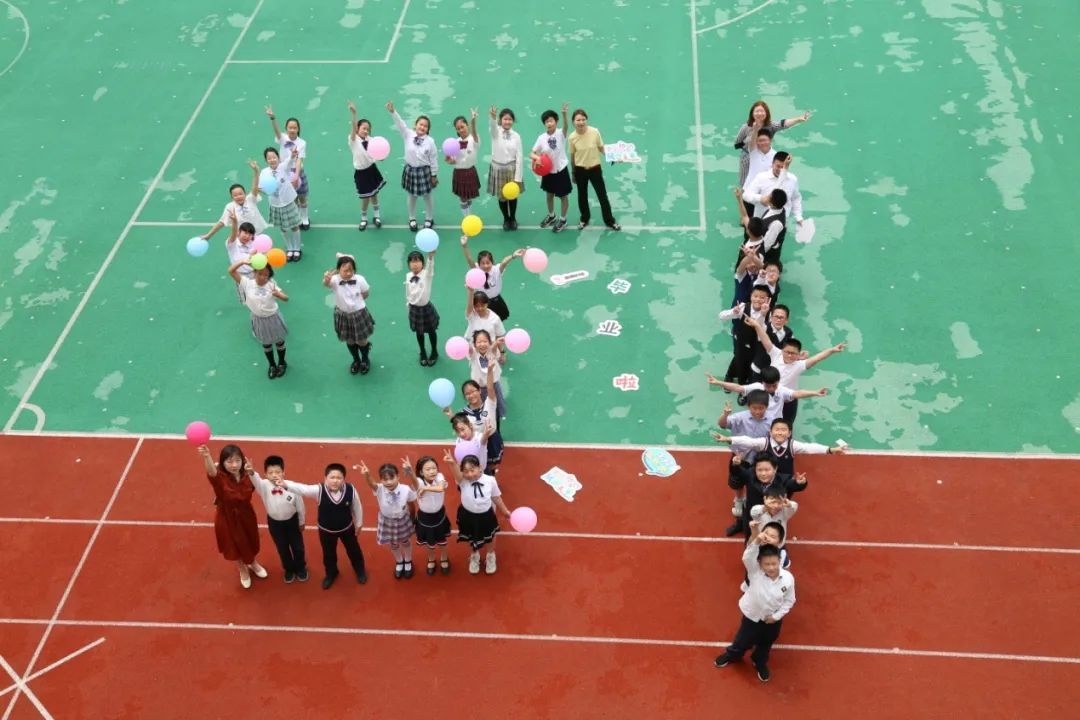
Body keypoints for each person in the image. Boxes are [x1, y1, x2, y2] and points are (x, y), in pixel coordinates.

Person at [713, 520, 796, 682]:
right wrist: (757, 538)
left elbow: (790, 600)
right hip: (752, 617)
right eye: (767, 564)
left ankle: (759, 661)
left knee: (767, 642)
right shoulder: (755, 572)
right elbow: (748, 556)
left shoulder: (788, 578)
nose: (771, 567)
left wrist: (776, 617)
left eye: (774, 563)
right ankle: (733, 655)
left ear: (779, 561)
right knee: (743, 640)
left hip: (773, 620)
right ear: (760, 564)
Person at [283, 463, 367, 590]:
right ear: (325, 478)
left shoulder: (351, 489)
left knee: (354, 550)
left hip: (347, 529)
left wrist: (359, 523)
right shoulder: (319, 490)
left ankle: (360, 570)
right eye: (332, 477)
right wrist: (285, 484)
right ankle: (331, 573)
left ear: (343, 479)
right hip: (326, 531)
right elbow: (303, 489)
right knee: (328, 554)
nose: (335, 480)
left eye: (339, 478)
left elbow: (357, 507)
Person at [196, 444, 266, 589]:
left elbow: (261, 487)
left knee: (250, 540)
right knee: (234, 544)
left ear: (243, 460)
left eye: (237, 460)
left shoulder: (248, 474)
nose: (234, 465)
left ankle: (253, 563)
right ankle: (242, 569)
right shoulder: (220, 478)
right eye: (229, 461)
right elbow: (212, 472)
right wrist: (207, 456)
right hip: (227, 517)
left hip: (246, 514)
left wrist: (253, 473)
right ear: (223, 463)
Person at [712, 391, 771, 536]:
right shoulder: (740, 417)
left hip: (758, 462)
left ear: (767, 407)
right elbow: (722, 425)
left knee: (756, 490)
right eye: (754, 408)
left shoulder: (772, 421)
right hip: (739, 460)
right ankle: (739, 502)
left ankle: (753, 520)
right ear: (748, 406)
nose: (757, 411)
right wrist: (725, 414)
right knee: (737, 483)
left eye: (761, 408)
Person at [444, 451, 511, 575]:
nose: (469, 474)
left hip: (486, 515)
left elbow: (496, 497)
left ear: (480, 467)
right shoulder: (462, 481)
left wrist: (505, 511)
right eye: (466, 471)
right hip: (467, 515)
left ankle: (490, 555)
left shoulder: (490, 480)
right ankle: (474, 555)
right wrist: (452, 463)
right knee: (471, 536)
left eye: (472, 470)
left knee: (490, 537)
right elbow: (456, 473)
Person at [716, 417, 847, 477]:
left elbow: (809, 447)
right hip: (764, 477)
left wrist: (830, 450)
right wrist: (728, 439)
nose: (780, 432)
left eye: (783, 430)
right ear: (770, 432)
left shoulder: (792, 445)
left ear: (789, 433)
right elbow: (748, 441)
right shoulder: (764, 442)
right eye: (777, 430)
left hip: (785, 479)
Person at [249, 455, 308, 583]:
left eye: (277, 472)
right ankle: (289, 569)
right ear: (265, 474)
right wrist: (251, 472)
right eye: (270, 473)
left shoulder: (292, 486)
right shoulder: (263, 486)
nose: (274, 475)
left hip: (292, 521)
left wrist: (302, 521)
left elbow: (300, 506)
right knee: (282, 548)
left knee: (298, 547)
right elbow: (256, 480)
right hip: (275, 523)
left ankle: (301, 567)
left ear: (283, 473)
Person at [228, 258, 288, 379]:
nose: (263, 277)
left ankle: (282, 363)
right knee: (266, 344)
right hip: (258, 319)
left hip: (273, 317)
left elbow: (286, 298)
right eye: (260, 274)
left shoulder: (271, 284)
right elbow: (231, 271)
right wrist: (243, 262)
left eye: (266, 275)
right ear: (255, 272)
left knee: (279, 341)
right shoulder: (247, 283)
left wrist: (278, 294)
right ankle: (272, 365)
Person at [359, 461, 419, 580]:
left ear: (398, 476)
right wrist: (367, 474)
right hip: (387, 521)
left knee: (405, 541)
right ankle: (399, 561)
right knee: (393, 544)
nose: (389, 482)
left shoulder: (405, 489)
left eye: (392, 478)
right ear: (381, 480)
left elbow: (412, 503)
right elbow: (372, 484)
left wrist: (412, 518)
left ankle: (408, 560)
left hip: (402, 519)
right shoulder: (380, 489)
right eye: (385, 479)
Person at [708, 366, 827, 423]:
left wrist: (815, 392)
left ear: (778, 381)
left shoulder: (781, 390)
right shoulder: (756, 387)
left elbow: (797, 393)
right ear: (762, 382)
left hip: (775, 424)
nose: (771, 388)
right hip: (758, 422)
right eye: (767, 385)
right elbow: (738, 388)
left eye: (774, 385)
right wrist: (718, 382)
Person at [387, 100, 438, 231]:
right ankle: (412, 218)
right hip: (410, 170)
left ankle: (429, 218)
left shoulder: (430, 142)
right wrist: (393, 112)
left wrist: (434, 175)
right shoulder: (408, 134)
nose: (422, 127)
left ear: (428, 129)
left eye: (425, 126)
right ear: (415, 125)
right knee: (411, 195)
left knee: (427, 196)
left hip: (424, 172)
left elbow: (433, 159)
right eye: (420, 124)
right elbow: (400, 124)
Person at [733, 100, 810, 186]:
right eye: (757, 111)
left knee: (767, 181)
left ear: (766, 113)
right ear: (752, 113)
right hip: (747, 157)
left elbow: (783, 124)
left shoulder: (770, 125)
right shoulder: (746, 126)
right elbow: (737, 143)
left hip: (765, 156)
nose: (759, 113)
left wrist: (799, 119)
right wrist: (748, 147)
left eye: (762, 111)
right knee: (745, 182)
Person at [323, 253, 376, 375]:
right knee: (350, 340)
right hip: (343, 315)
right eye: (345, 270)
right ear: (338, 270)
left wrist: (356, 303)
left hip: (359, 314)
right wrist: (326, 278)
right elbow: (326, 284)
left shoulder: (360, 279)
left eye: (351, 270)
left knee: (362, 340)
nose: (348, 273)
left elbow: (366, 293)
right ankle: (356, 360)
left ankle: (365, 359)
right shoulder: (335, 280)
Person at [568, 108, 620, 230]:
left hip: (595, 169)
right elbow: (573, 156)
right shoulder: (572, 137)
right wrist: (573, 172)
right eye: (578, 120)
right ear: (573, 122)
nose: (581, 122)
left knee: (602, 196)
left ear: (586, 120)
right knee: (582, 196)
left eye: (583, 119)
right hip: (580, 170)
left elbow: (601, 148)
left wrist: (613, 157)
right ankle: (584, 219)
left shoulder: (594, 132)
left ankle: (610, 221)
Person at [443, 371, 503, 473]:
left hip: (492, 440)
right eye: (467, 394)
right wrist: (450, 415)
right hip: (477, 443)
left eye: (472, 391)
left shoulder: (490, 403)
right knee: (478, 467)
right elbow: (459, 424)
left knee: (492, 466)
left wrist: (490, 370)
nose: (471, 395)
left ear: (479, 390)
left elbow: (490, 388)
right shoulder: (463, 413)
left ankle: (491, 475)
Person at [404, 455, 453, 575]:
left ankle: (444, 557)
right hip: (425, 517)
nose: (432, 471)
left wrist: (425, 488)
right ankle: (431, 559)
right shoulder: (419, 481)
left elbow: (440, 488)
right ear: (421, 472)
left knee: (442, 541)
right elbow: (416, 482)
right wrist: (410, 472)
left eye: (434, 468)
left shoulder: (440, 476)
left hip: (439, 515)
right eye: (428, 469)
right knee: (429, 543)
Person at [266, 105, 311, 230]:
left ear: (298, 129)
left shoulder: (302, 143)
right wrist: (272, 118)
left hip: (297, 172)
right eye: (290, 127)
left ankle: (305, 218)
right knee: (292, 198)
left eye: (294, 128)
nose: (292, 130)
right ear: (286, 129)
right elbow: (276, 131)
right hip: (284, 172)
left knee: (302, 197)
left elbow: (299, 160)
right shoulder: (282, 138)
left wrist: (296, 176)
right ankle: (297, 219)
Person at [530, 103, 572, 232]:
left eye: (551, 121)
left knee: (563, 197)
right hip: (548, 172)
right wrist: (537, 158)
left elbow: (566, 126)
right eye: (546, 121)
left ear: (556, 121)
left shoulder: (560, 134)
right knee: (549, 195)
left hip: (561, 170)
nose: (549, 123)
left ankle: (563, 220)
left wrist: (564, 114)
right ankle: (552, 216)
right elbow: (531, 153)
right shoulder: (541, 138)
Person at [461, 235, 523, 321]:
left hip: (496, 301)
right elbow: (469, 259)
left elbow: (504, 262)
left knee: (498, 320)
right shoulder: (476, 270)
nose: (485, 266)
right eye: (483, 263)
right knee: (481, 321)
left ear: (492, 262)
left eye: (488, 262)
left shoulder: (496, 270)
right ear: (479, 264)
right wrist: (464, 246)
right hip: (481, 302)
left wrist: (513, 255)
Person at [201, 161, 267, 240]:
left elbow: (255, 186)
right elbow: (221, 222)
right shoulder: (230, 207)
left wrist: (256, 171)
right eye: (235, 195)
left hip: (258, 234)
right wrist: (208, 235)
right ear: (232, 197)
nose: (238, 197)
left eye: (240, 194)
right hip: (243, 238)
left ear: (245, 194)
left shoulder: (250, 199)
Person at [347, 100, 385, 231]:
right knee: (365, 198)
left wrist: (381, 157)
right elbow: (353, 128)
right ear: (357, 129)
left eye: (368, 129)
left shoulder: (371, 140)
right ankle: (364, 218)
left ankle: (377, 216)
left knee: (374, 194)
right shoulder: (353, 140)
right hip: (361, 172)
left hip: (371, 170)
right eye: (363, 128)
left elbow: (377, 152)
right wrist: (354, 114)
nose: (366, 131)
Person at [261, 146, 303, 261]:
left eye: (274, 157)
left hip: (288, 202)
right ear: (266, 160)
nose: (272, 160)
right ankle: (289, 248)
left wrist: (293, 154)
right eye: (269, 158)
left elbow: (290, 160)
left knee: (294, 226)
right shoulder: (264, 173)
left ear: (278, 158)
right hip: (275, 204)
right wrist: (266, 190)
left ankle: (297, 249)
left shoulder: (283, 167)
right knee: (283, 228)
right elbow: (261, 188)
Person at [488, 105, 525, 229]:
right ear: (500, 120)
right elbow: (492, 126)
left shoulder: (516, 136)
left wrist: (518, 178)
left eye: (510, 119)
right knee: (502, 197)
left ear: (513, 121)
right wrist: (492, 118)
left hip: (511, 169)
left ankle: (513, 218)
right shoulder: (495, 132)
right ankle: (506, 219)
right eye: (505, 119)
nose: (507, 121)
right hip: (498, 169)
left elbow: (519, 156)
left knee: (512, 195)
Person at [743, 152, 803, 228]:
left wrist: (798, 217)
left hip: (781, 224)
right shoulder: (761, 177)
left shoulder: (793, 180)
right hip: (760, 224)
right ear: (772, 164)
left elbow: (795, 198)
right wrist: (760, 199)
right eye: (778, 166)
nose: (780, 170)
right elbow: (745, 195)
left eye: (783, 167)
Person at [405, 249, 439, 366]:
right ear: (409, 264)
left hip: (426, 308)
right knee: (419, 332)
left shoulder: (426, 274)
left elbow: (430, 267)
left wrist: (430, 257)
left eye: (418, 261)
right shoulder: (408, 275)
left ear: (422, 263)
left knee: (431, 331)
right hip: (414, 309)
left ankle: (434, 351)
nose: (415, 264)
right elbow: (408, 292)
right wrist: (408, 306)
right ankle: (422, 352)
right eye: (412, 261)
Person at [447, 109, 481, 216]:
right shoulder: (454, 143)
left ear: (467, 126)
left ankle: (469, 216)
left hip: (470, 171)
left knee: (468, 197)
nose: (461, 130)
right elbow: (452, 161)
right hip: (459, 172)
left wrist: (473, 120)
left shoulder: (474, 139)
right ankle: (466, 219)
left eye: (462, 127)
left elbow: (474, 132)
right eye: (458, 128)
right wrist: (450, 161)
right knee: (463, 198)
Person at [468, 330, 505, 422]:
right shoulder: (473, 354)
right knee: (483, 408)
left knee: (496, 406)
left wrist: (496, 343)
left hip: (494, 385)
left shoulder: (492, 351)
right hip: (480, 388)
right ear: (474, 344)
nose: (482, 344)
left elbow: (493, 349)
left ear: (489, 342)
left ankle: (497, 421)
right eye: (479, 342)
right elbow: (469, 350)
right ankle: (484, 422)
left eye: (485, 341)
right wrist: (465, 345)